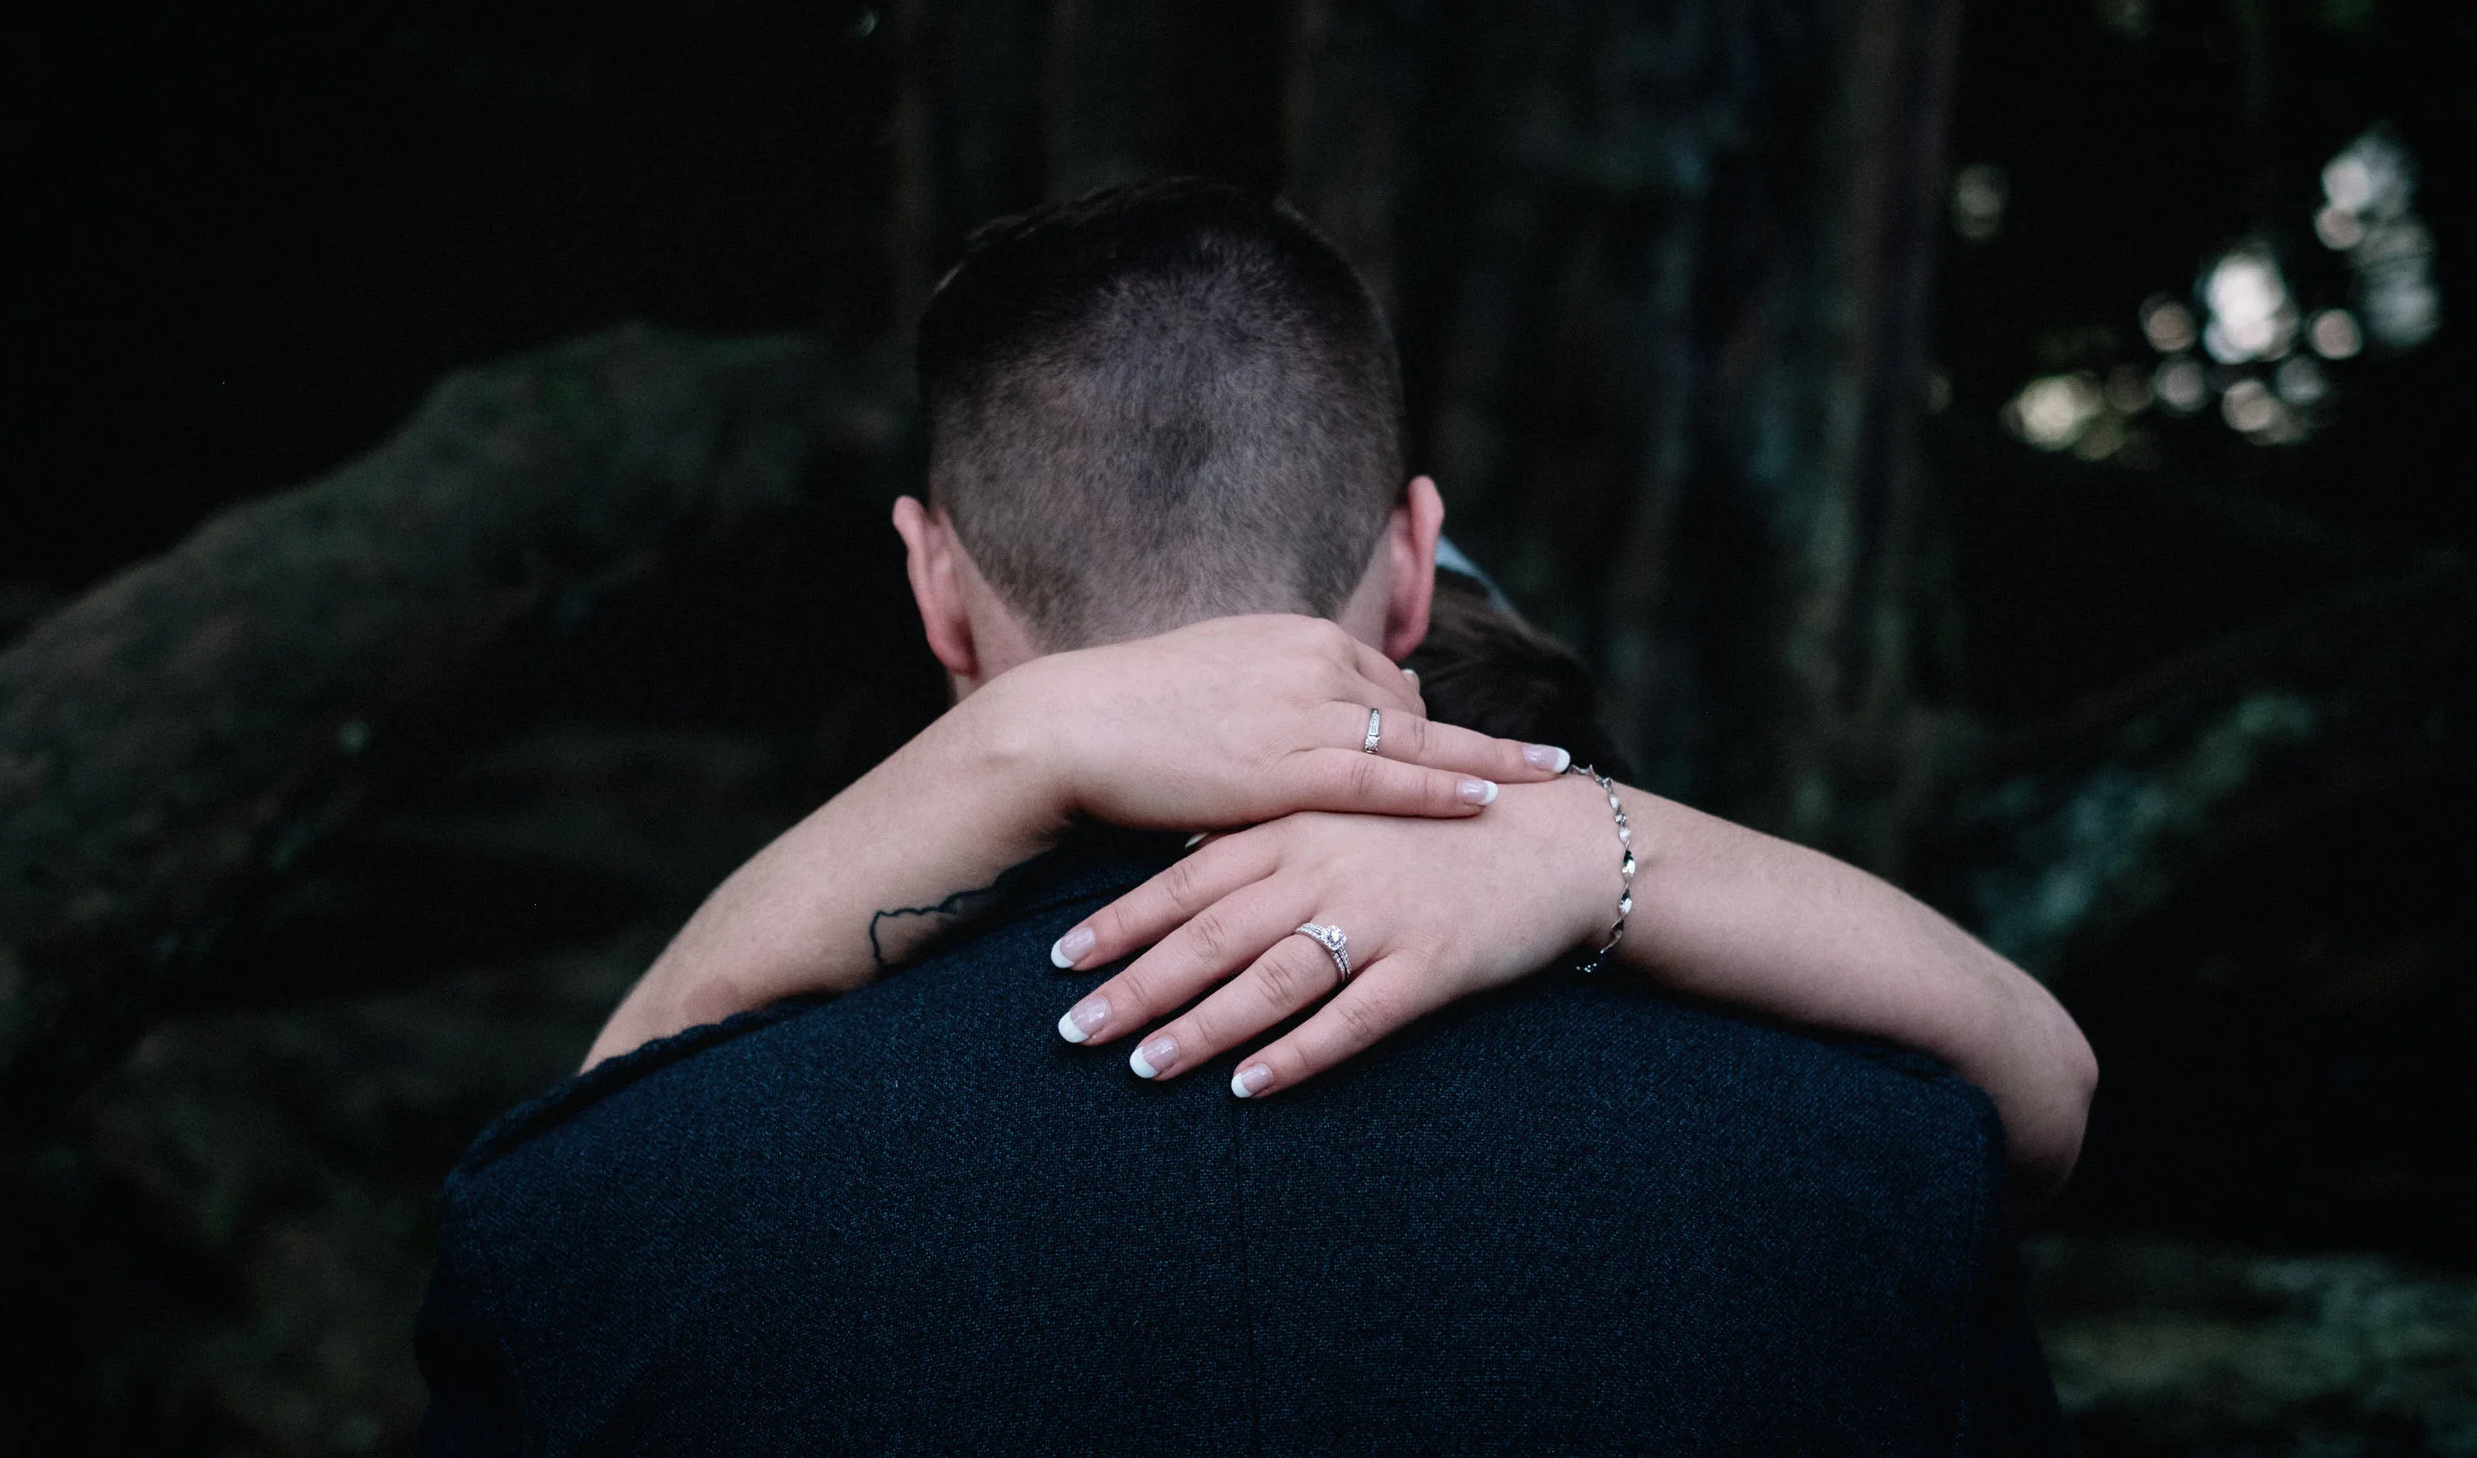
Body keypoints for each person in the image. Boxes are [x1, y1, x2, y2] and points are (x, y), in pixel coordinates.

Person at [418, 179, 2082, 1453]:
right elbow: (2047, 1092)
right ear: (1416, 562)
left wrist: (999, 754)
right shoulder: (1869, 1164)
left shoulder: (592, 1222)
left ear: (937, 589)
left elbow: (570, 1168)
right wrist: (1595, 842)